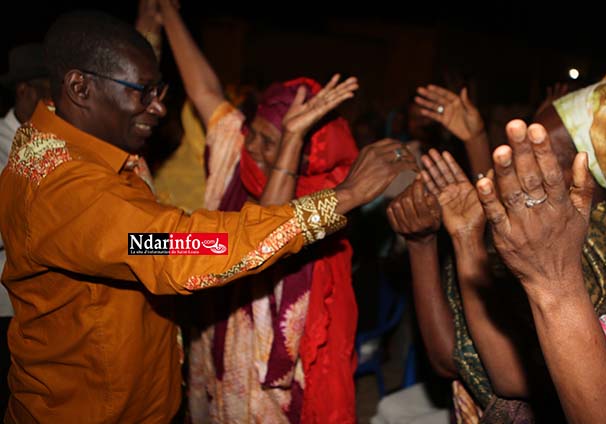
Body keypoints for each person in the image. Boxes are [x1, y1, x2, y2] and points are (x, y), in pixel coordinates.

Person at [0, 10, 415, 423]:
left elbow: (114, 74)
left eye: (158, 90)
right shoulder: (68, 192)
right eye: (143, 92)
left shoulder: (76, 135)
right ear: (79, 87)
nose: (158, 108)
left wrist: (152, 26)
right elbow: (180, 247)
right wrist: (341, 198)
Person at [389, 70, 606, 421]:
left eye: (540, 152)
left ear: (574, 174)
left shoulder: (569, 254)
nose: (515, 157)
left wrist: (425, 244)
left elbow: (452, 358)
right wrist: (475, 140)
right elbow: (502, 211)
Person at [156, 1, 364, 421]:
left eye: (274, 141)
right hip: (212, 349)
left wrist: (162, 250)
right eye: (257, 132)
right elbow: (204, 90)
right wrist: (167, 10)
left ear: (306, 153)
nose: (252, 146)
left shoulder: (320, 197)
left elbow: (264, 239)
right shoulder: (234, 163)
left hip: (264, 385)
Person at [0, 42, 50, 414]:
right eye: (48, 93)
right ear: (24, 91)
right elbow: (144, 242)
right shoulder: (3, 147)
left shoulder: (52, 145)